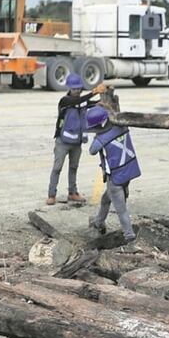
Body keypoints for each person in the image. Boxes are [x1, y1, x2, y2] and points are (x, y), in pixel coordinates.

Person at [47, 74, 105, 205]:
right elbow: (77, 102)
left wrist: (99, 102)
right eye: (74, 89)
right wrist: (94, 92)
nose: (77, 91)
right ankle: (51, 195)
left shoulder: (82, 101)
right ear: (69, 88)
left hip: (77, 142)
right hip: (62, 141)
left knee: (73, 168)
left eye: (79, 88)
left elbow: (87, 103)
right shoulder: (65, 101)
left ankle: (73, 193)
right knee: (57, 168)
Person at [86, 105, 140, 243]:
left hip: (115, 177)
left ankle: (129, 237)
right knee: (106, 199)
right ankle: (99, 222)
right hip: (128, 172)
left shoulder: (100, 139)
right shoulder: (122, 127)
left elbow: (92, 151)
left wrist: (97, 136)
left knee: (121, 209)